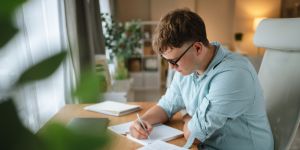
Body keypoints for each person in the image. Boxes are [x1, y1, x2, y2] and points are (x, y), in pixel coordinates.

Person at [129, 8, 274, 150]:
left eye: (174, 61)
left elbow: (194, 135)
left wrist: (186, 116)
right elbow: (166, 106)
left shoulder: (233, 75)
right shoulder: (186, 69)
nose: (171, 68)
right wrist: (142, 121)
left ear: (198, 48)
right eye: (166, 61)